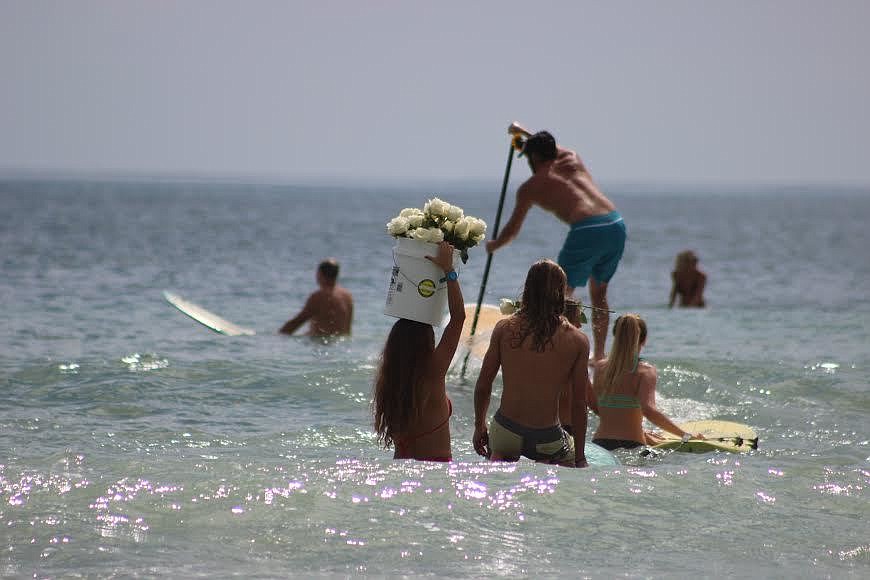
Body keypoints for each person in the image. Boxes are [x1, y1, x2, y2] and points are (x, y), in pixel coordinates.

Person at [486, 123, 626, 361]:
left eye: (529, 156)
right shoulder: (571, 158)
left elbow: (512, 230)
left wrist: (494, 245)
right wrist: (524, 133)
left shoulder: (531, 187)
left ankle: (557, 351)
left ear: (535, 156)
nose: (528, 162)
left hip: (588, 228)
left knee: (558, 294)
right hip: (615, 223)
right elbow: (549, 145)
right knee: (599, 293)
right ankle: (599, 356)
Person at [473, 259, 590, 468]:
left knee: (500, 447)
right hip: (546, 438)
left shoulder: (504, 328)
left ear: (527, 288)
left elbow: (483, 385)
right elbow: (579, 404)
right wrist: (579, 457)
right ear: (561, 292)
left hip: (505, 432)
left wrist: (479, 426)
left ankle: (500, 454)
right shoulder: (577, 340)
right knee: (567, 451)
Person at [372, 241, 465, 462]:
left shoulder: (389, 382)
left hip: (399, 471)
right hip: (435, 476)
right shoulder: (433, 371)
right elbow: (458, 318)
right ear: (427, 341)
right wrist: (448, 271)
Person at [589, 313, 703, 450]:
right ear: (643, 340)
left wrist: (640, 431)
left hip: (600, 445)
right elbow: (649, 410)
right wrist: (685, 435)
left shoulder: (600, 368)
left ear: (615, 336)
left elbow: (598, 407)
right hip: (632, 445)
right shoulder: (645, 371)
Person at [279, 259, 354, 337]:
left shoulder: (319, 296)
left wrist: (279, 337)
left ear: (319, 275)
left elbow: (296, 322)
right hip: (342, 345)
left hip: (323, 346)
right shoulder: (347, 296)